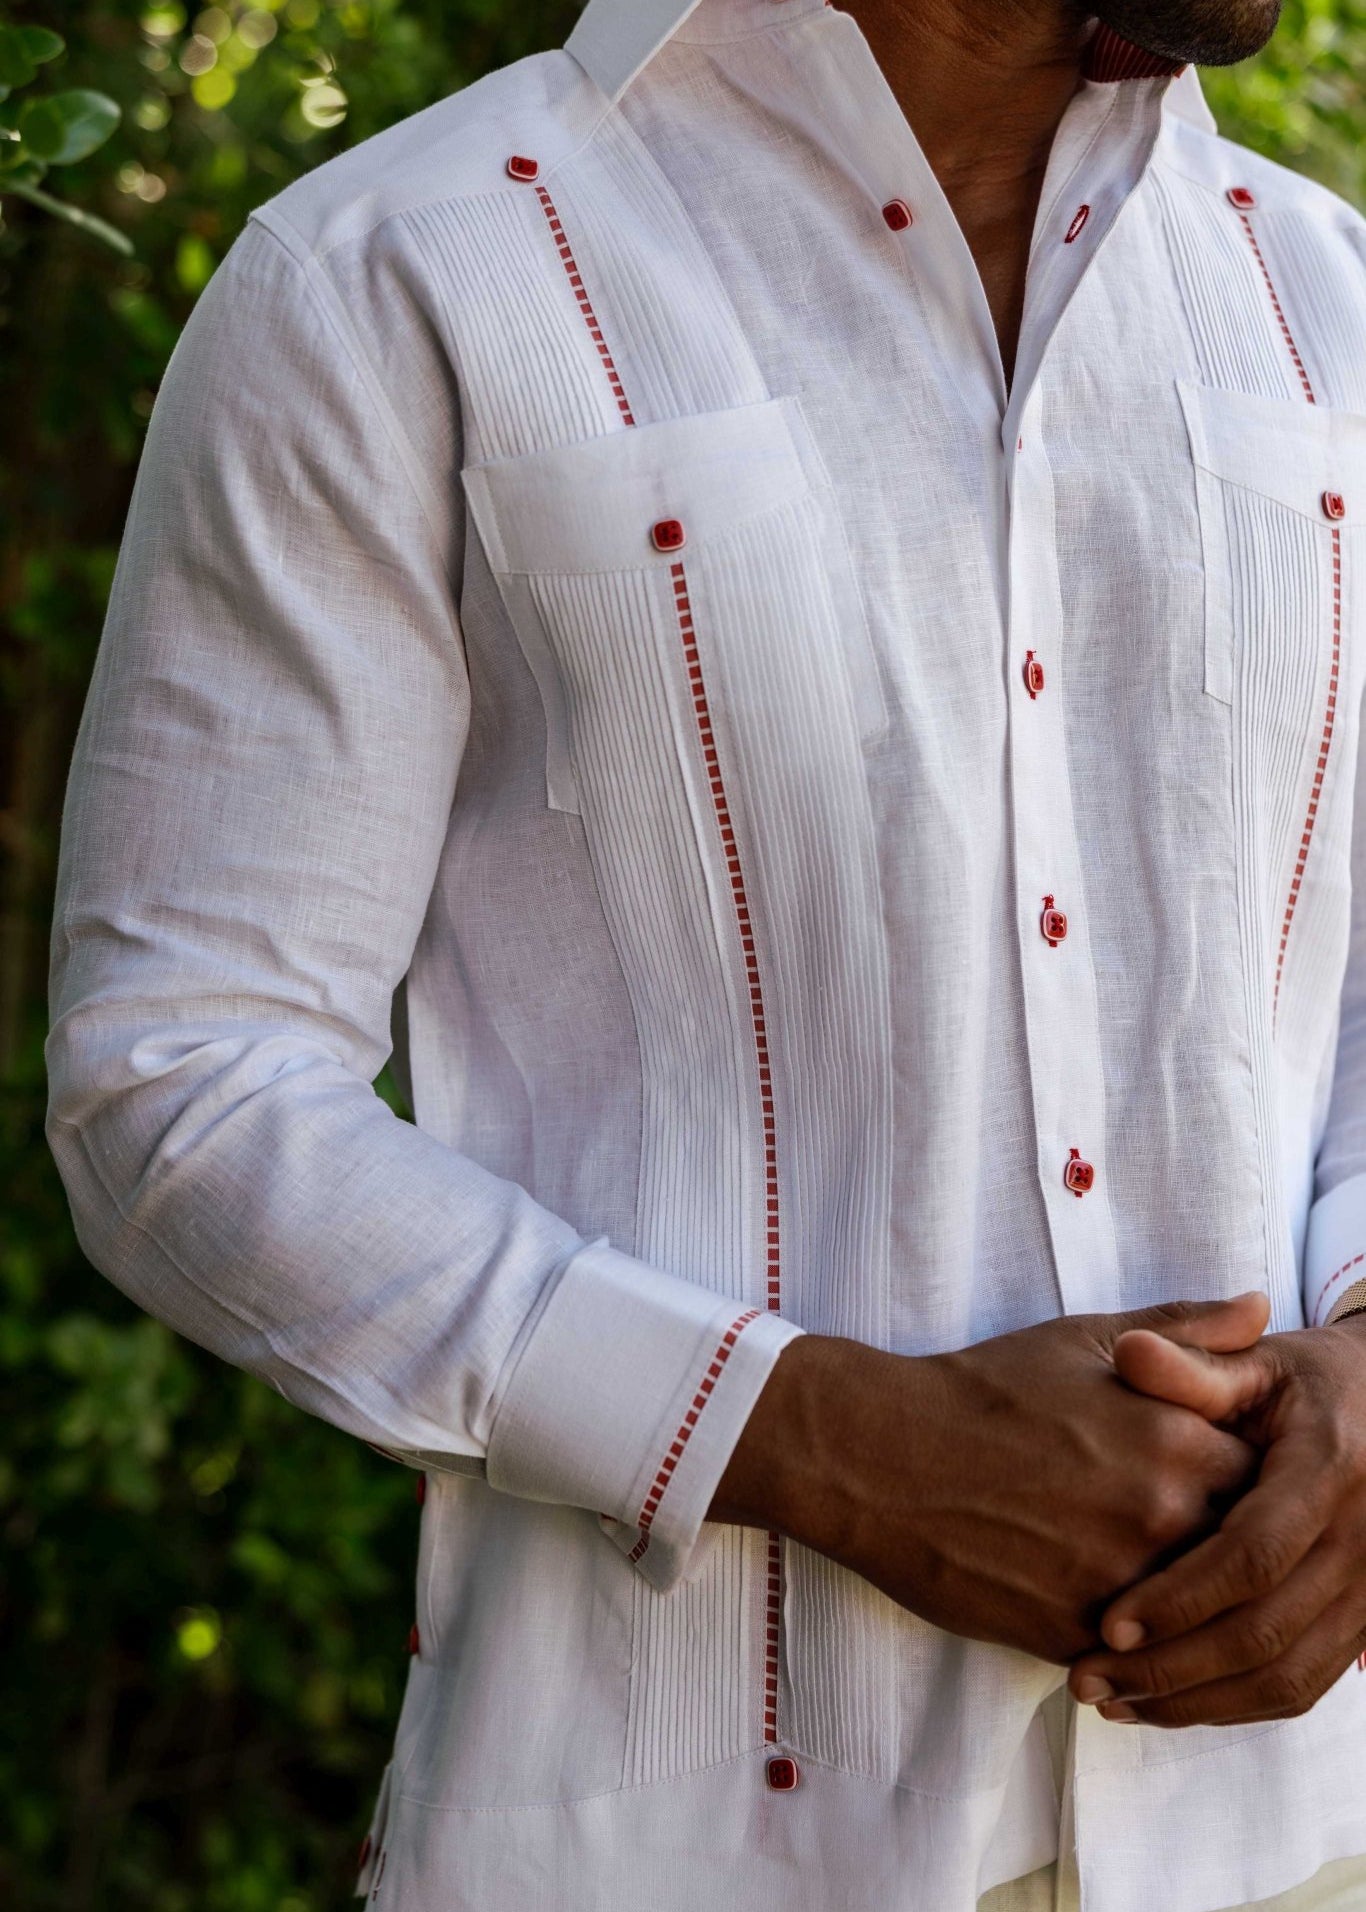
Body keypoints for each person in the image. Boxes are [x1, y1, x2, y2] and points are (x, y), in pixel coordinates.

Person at [44, 0, 1366, 1904]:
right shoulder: (394, 281)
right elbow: (176, 1077)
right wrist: (816, 1444)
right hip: (685, 1841)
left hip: (1307, 1828)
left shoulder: (1323, 300)